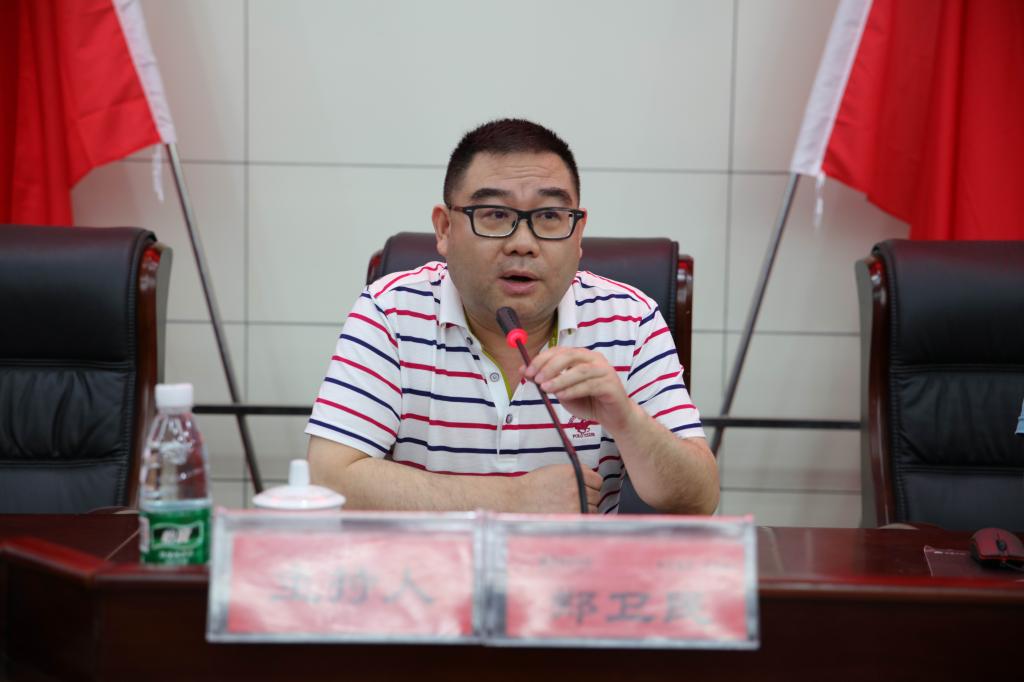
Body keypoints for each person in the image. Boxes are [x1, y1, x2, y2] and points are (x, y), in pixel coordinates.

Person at [306, 119, 718, 515]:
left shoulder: (630, 320)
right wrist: (511, 499)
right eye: (495, 215)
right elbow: (327, 478)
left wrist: (627, 420)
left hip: (576, 564)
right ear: (445, 229)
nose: (523, 243)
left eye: (550, 217)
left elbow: (699, 498)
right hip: (428, 563)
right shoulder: (391, 310)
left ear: (578, 234)